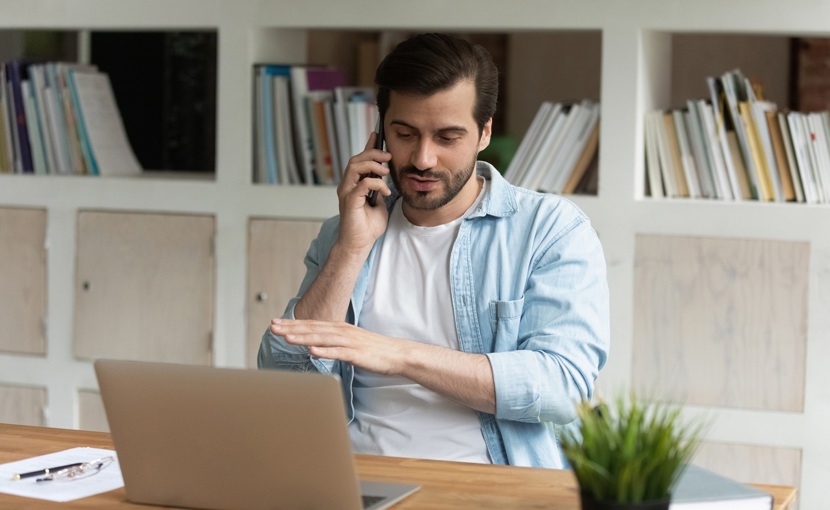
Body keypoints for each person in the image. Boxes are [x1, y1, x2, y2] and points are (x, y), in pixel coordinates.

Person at [258, 33, 609, 469]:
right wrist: (350, 249)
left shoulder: (549, 229)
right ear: (380, 132)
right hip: (354, 481)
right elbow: (284, 383)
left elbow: (563, 387)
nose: (423, 158)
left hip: (485, 487)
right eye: (405, 133)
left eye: (447, 137)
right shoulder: (345, 233)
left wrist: (399, 354)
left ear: (484, 133)